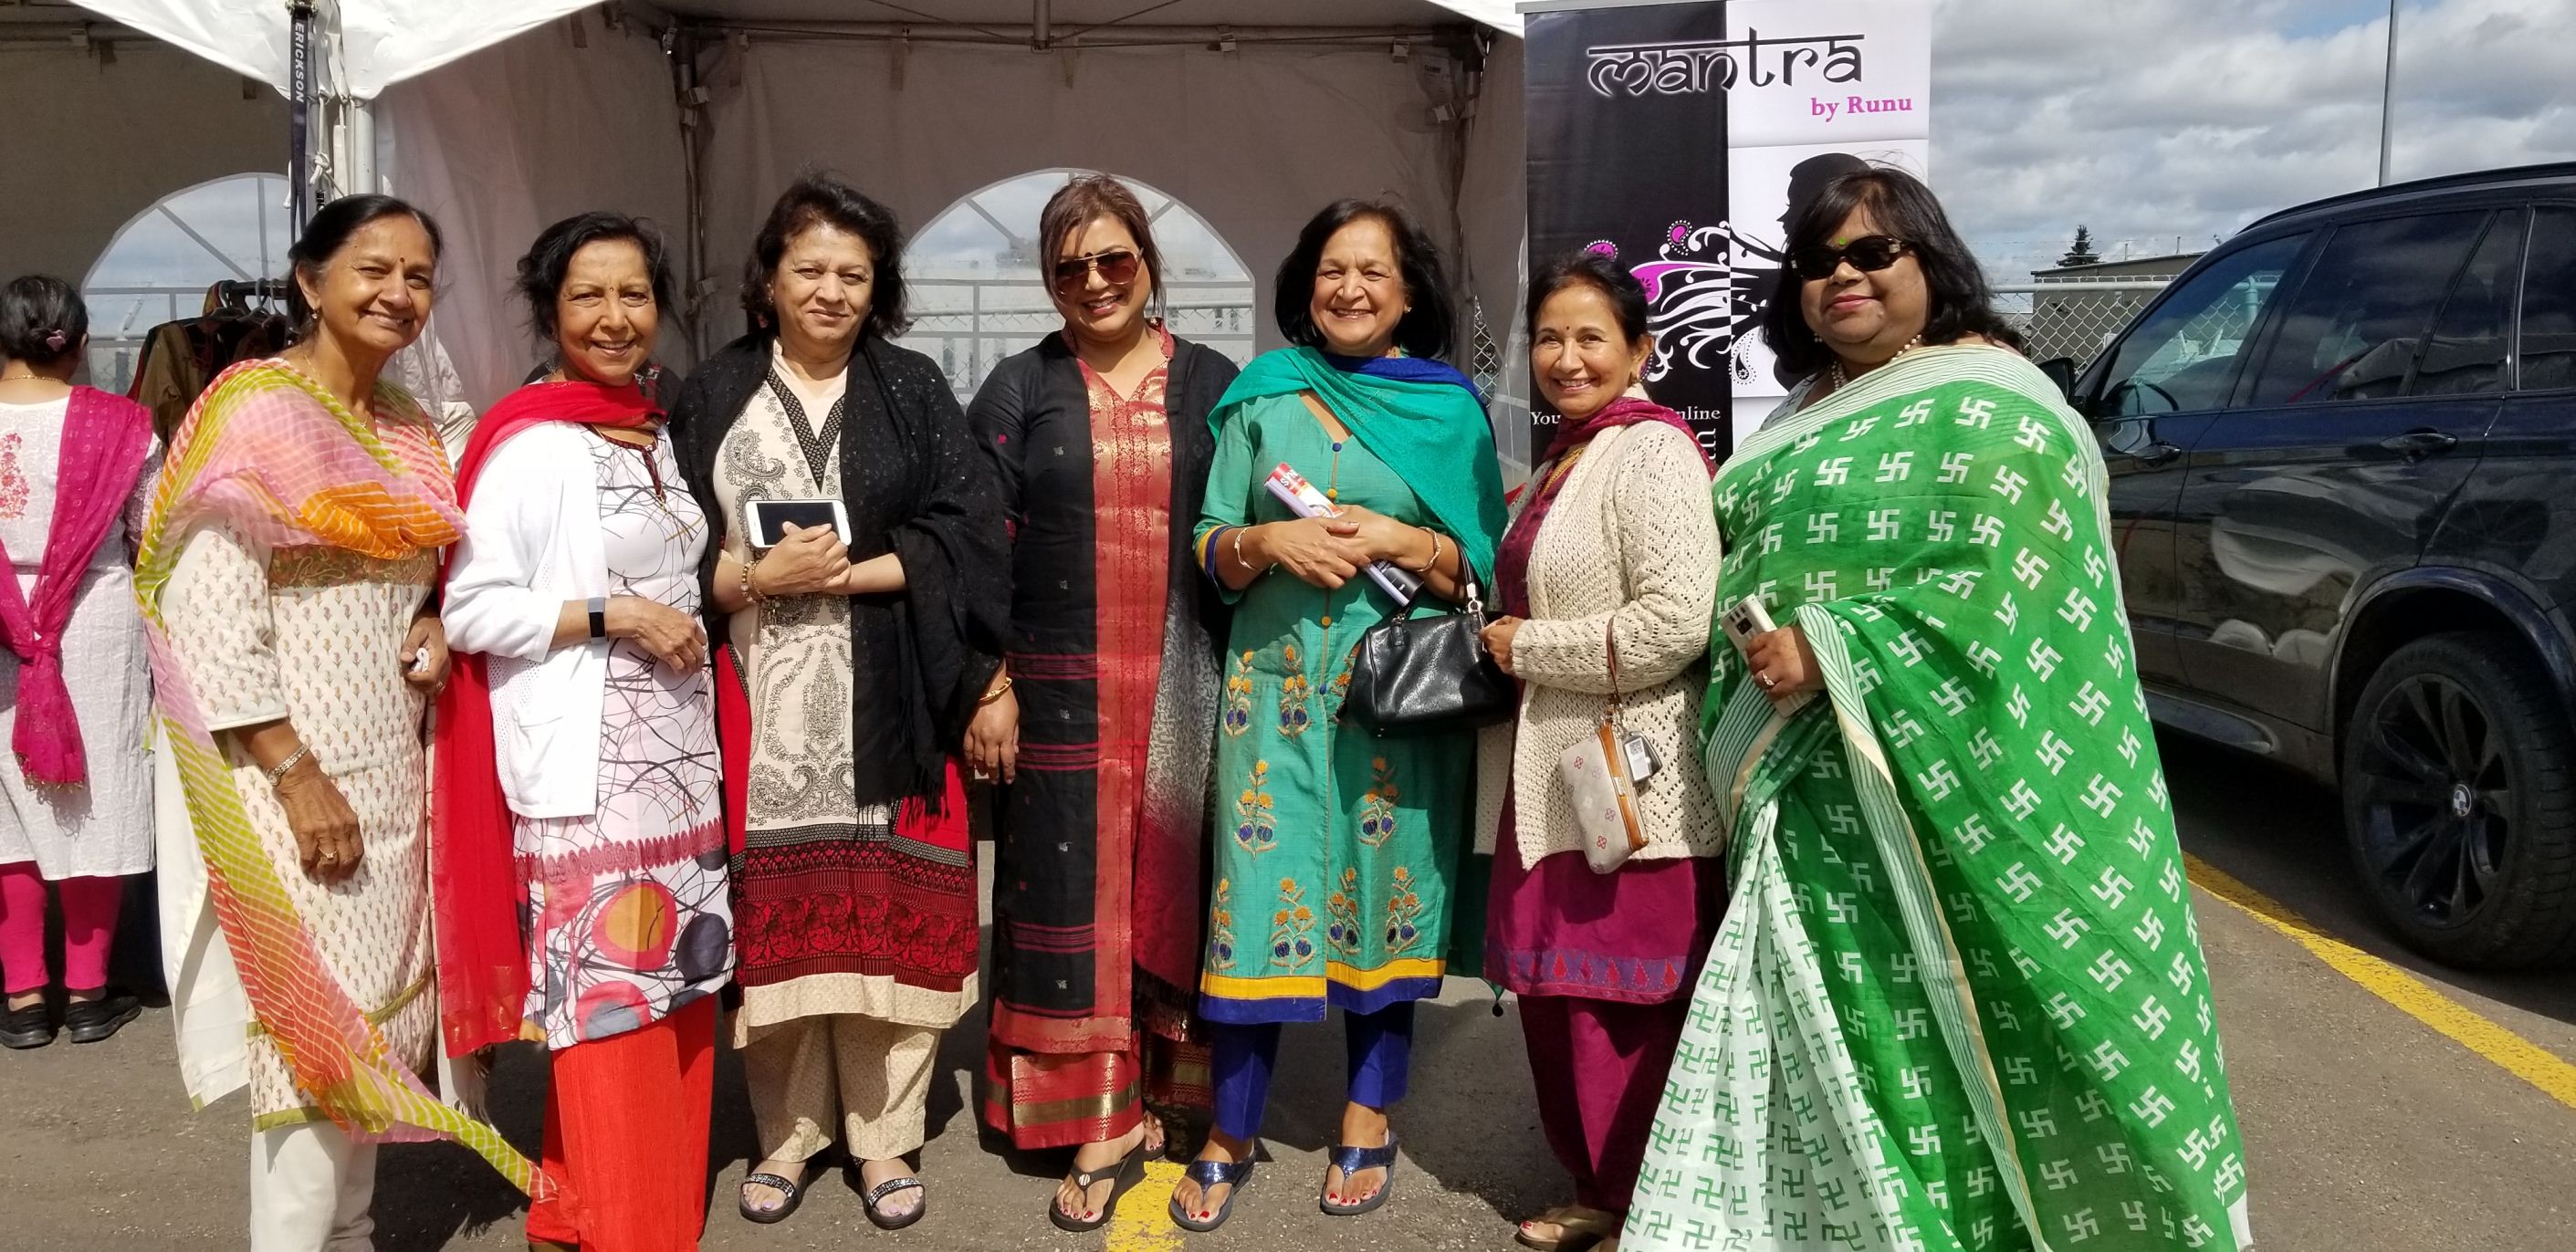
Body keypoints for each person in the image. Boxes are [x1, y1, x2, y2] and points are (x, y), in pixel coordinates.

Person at [1620, 166, 2254, 1252]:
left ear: (1930, 260)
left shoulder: (1999, 408)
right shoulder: (1802, 414)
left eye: (1873, 253)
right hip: (1809, 806)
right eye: (1816, 261)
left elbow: (2016, 603)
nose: (1842, 277)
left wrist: (1831, 648)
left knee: (2022, 1026)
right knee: (1827, 1037)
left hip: (1969, 799)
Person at [138, 194, 539, 1252]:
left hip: (395, 767)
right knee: (314, 1035)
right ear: (311, 282)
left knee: (380, 1024)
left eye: (419, 276)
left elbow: (430, 573)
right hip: (287, 771)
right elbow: (209, 608)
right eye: (374, 270)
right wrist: (293, 770)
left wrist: (435, 619)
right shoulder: (252, 409)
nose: (398, 293)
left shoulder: (406, 421)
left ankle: (350, 1234)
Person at [667, 173, 1007, 1231]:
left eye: (852, 274)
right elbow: (668, 553)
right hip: (754, 708)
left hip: (893, 704)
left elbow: (969, 530)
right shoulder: (713, 393)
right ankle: (787, 1134)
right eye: (808, 269)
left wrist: (847, 575)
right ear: (768, 279)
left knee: (890, 924)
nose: (830, 291)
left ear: (877, 287)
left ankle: (884, 1136)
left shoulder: (911, 387)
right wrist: (754, 579)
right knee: (776, 926)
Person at [1175, 199, 1506, 1232]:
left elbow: (1480, 568)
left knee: (1382, 893)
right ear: (1304, 286)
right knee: (1252, 899)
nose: (1349, 288)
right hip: (1268, 697)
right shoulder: (1261, 394)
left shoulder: (1448, 413)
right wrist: (1267, 544)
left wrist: (1403, 542)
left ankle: (1368, 1114)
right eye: (1331, 269)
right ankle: (1230, 1128)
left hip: (1393, 701)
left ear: (1408, 295)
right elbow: (1209, 538)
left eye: (1372, 272)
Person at [438, 213, 728, 1252]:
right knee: (609, 1002)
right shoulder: (532, 442)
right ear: (549, 309)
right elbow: (471, 607)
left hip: (678, 762)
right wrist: (616, 615)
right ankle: (632, 1227)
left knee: (674, 989)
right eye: (587, 296)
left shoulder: (652, 427)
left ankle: (578, 1205)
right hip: (589, 773)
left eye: (633, 294)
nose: (614, 317)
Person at [965, 173, 1241, 1232]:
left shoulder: (1212, 383)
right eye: (1069, 266)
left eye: (1113, 258)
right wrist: (989, 683)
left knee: (1173, 886)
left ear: (1146, 264)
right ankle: (1098, 1115)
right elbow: (976, 547)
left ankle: (1170, 1095)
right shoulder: (1018, 388)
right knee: (1072, 903)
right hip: (1058, 697)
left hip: (1186, 691)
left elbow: (1249, 518)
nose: (1093, 281)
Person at [1473, 254, 1723, 1252]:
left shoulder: (1651, 452)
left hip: (1631, 780)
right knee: (1564, 994)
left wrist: (1525, 647)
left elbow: (1677, 622)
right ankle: (1600, 1189)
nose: (1566, 357)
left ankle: (1640, 1204)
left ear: (1639, 351)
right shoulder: (1566, 458)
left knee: (1623, 1002)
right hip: (1561, 772)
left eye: (1590, 338)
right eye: (1548, 338)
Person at [0, 276, 159, 1049]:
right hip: (92, 621)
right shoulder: (122, 425)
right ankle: (90, 994)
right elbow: (152, 534)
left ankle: (24, 999)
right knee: (94, 801)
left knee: (7, 816)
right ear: (82, 343)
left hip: (1, 627)